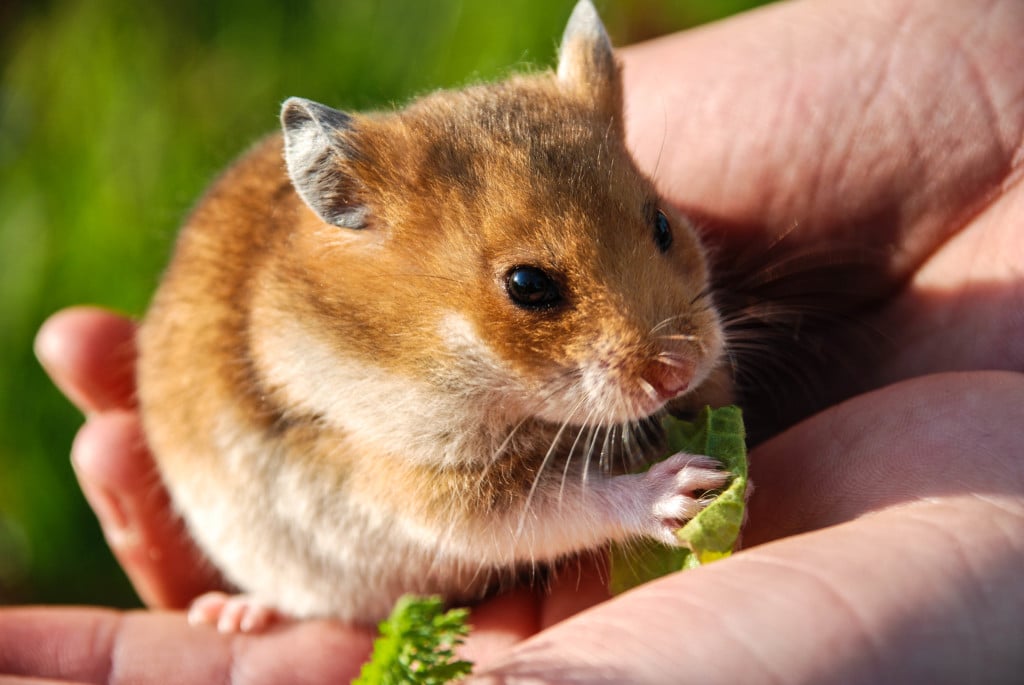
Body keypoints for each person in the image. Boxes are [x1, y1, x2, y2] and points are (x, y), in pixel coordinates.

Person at [8, 0, 1024, 681]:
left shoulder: (589, 169)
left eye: (660, 234)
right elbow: (450, 506)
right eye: (535, 290)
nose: (665, 354)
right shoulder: (370, 344)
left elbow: (656, 325)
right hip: (300, 514)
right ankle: (271, 604)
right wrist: (623, 500)